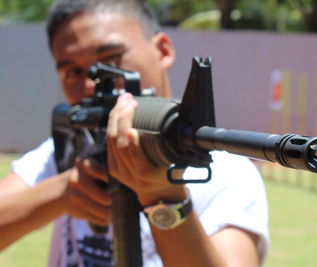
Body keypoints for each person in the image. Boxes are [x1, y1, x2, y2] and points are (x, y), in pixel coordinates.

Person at [0, 0, 269, 266]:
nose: (92, 86)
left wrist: (165, 200)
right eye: (73, 71)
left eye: (111, 60)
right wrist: (60, 194)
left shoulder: (229, 175)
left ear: (162, 50)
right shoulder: (72, 147)